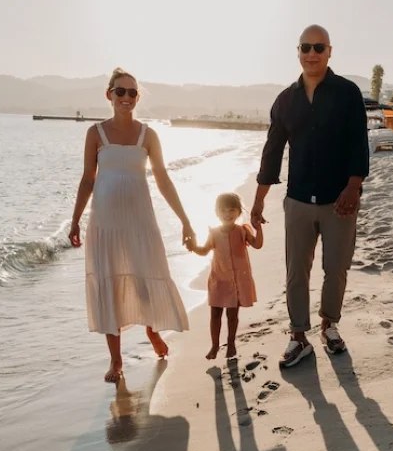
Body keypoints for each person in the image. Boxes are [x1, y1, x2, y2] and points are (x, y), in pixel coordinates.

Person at [251, 26, 369, 368]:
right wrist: (258, 201)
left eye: (319, 47)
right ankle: (298, 336)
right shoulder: (286, 100)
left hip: (339, 199)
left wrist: (354, 186)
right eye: (306, 47)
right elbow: (272, 153)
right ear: (298, 51)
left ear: (330, 51)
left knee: (336, 268)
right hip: (299, 198)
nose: (312, 53)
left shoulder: (348, 93)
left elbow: (358, 144)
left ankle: (329, 325)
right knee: (295, 271)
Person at [69, 68, 196, 383]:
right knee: (110, 284)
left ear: (137, 97)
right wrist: (74, 220)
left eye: (132, 93)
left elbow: (163, 179)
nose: (127, 98)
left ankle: (152, 330)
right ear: (109, 95)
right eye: (121, 92)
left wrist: (185, 220)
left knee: (143, 282)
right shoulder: (95, 134)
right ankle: (116, 360)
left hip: (140, 223)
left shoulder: (147, 135)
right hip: (106, 225)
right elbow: (88, 179)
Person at [190, 192, 263, 360]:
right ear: (216, 213)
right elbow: (204, 251)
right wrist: (192, 245)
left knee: (232, 315)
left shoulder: (242, 231)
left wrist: (259, 229)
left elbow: (257, 245)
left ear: (238, 212)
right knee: (215, 314)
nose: (227, 214)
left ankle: (231, 343)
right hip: (218, 279)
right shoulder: (214, 233)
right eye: (223, 211)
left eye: (231, 210)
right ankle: (215, 345)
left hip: (236, 282)